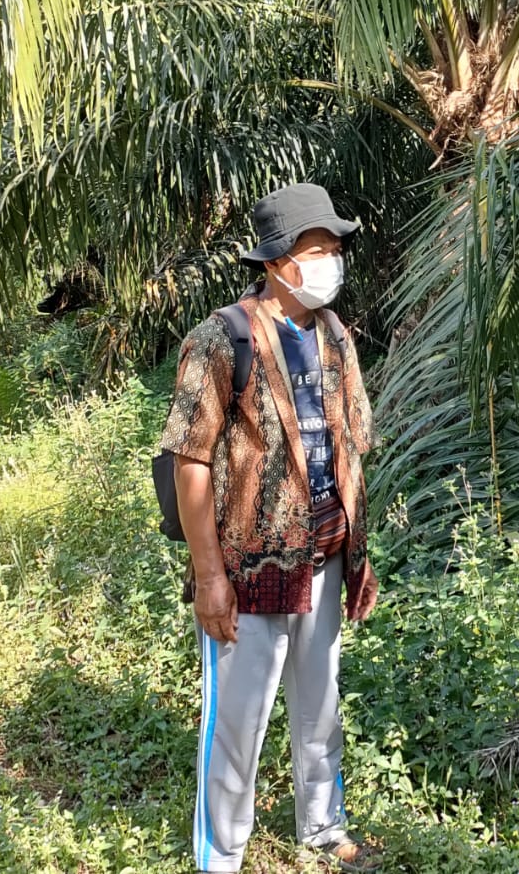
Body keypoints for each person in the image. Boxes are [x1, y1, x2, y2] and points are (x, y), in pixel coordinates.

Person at [160, 183, 382, 874]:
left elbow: (350, 448)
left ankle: (323, 826)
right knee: (237, 720)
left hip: (324, 559)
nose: (330, 263)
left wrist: (359, 554)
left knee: (321, 706)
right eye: (317, 251)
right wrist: (210, 578)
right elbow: (190, 462)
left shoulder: (335, 335)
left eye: (336, 250)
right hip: (249, 570)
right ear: (278, 261)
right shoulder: (221, 339)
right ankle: (221, 855)